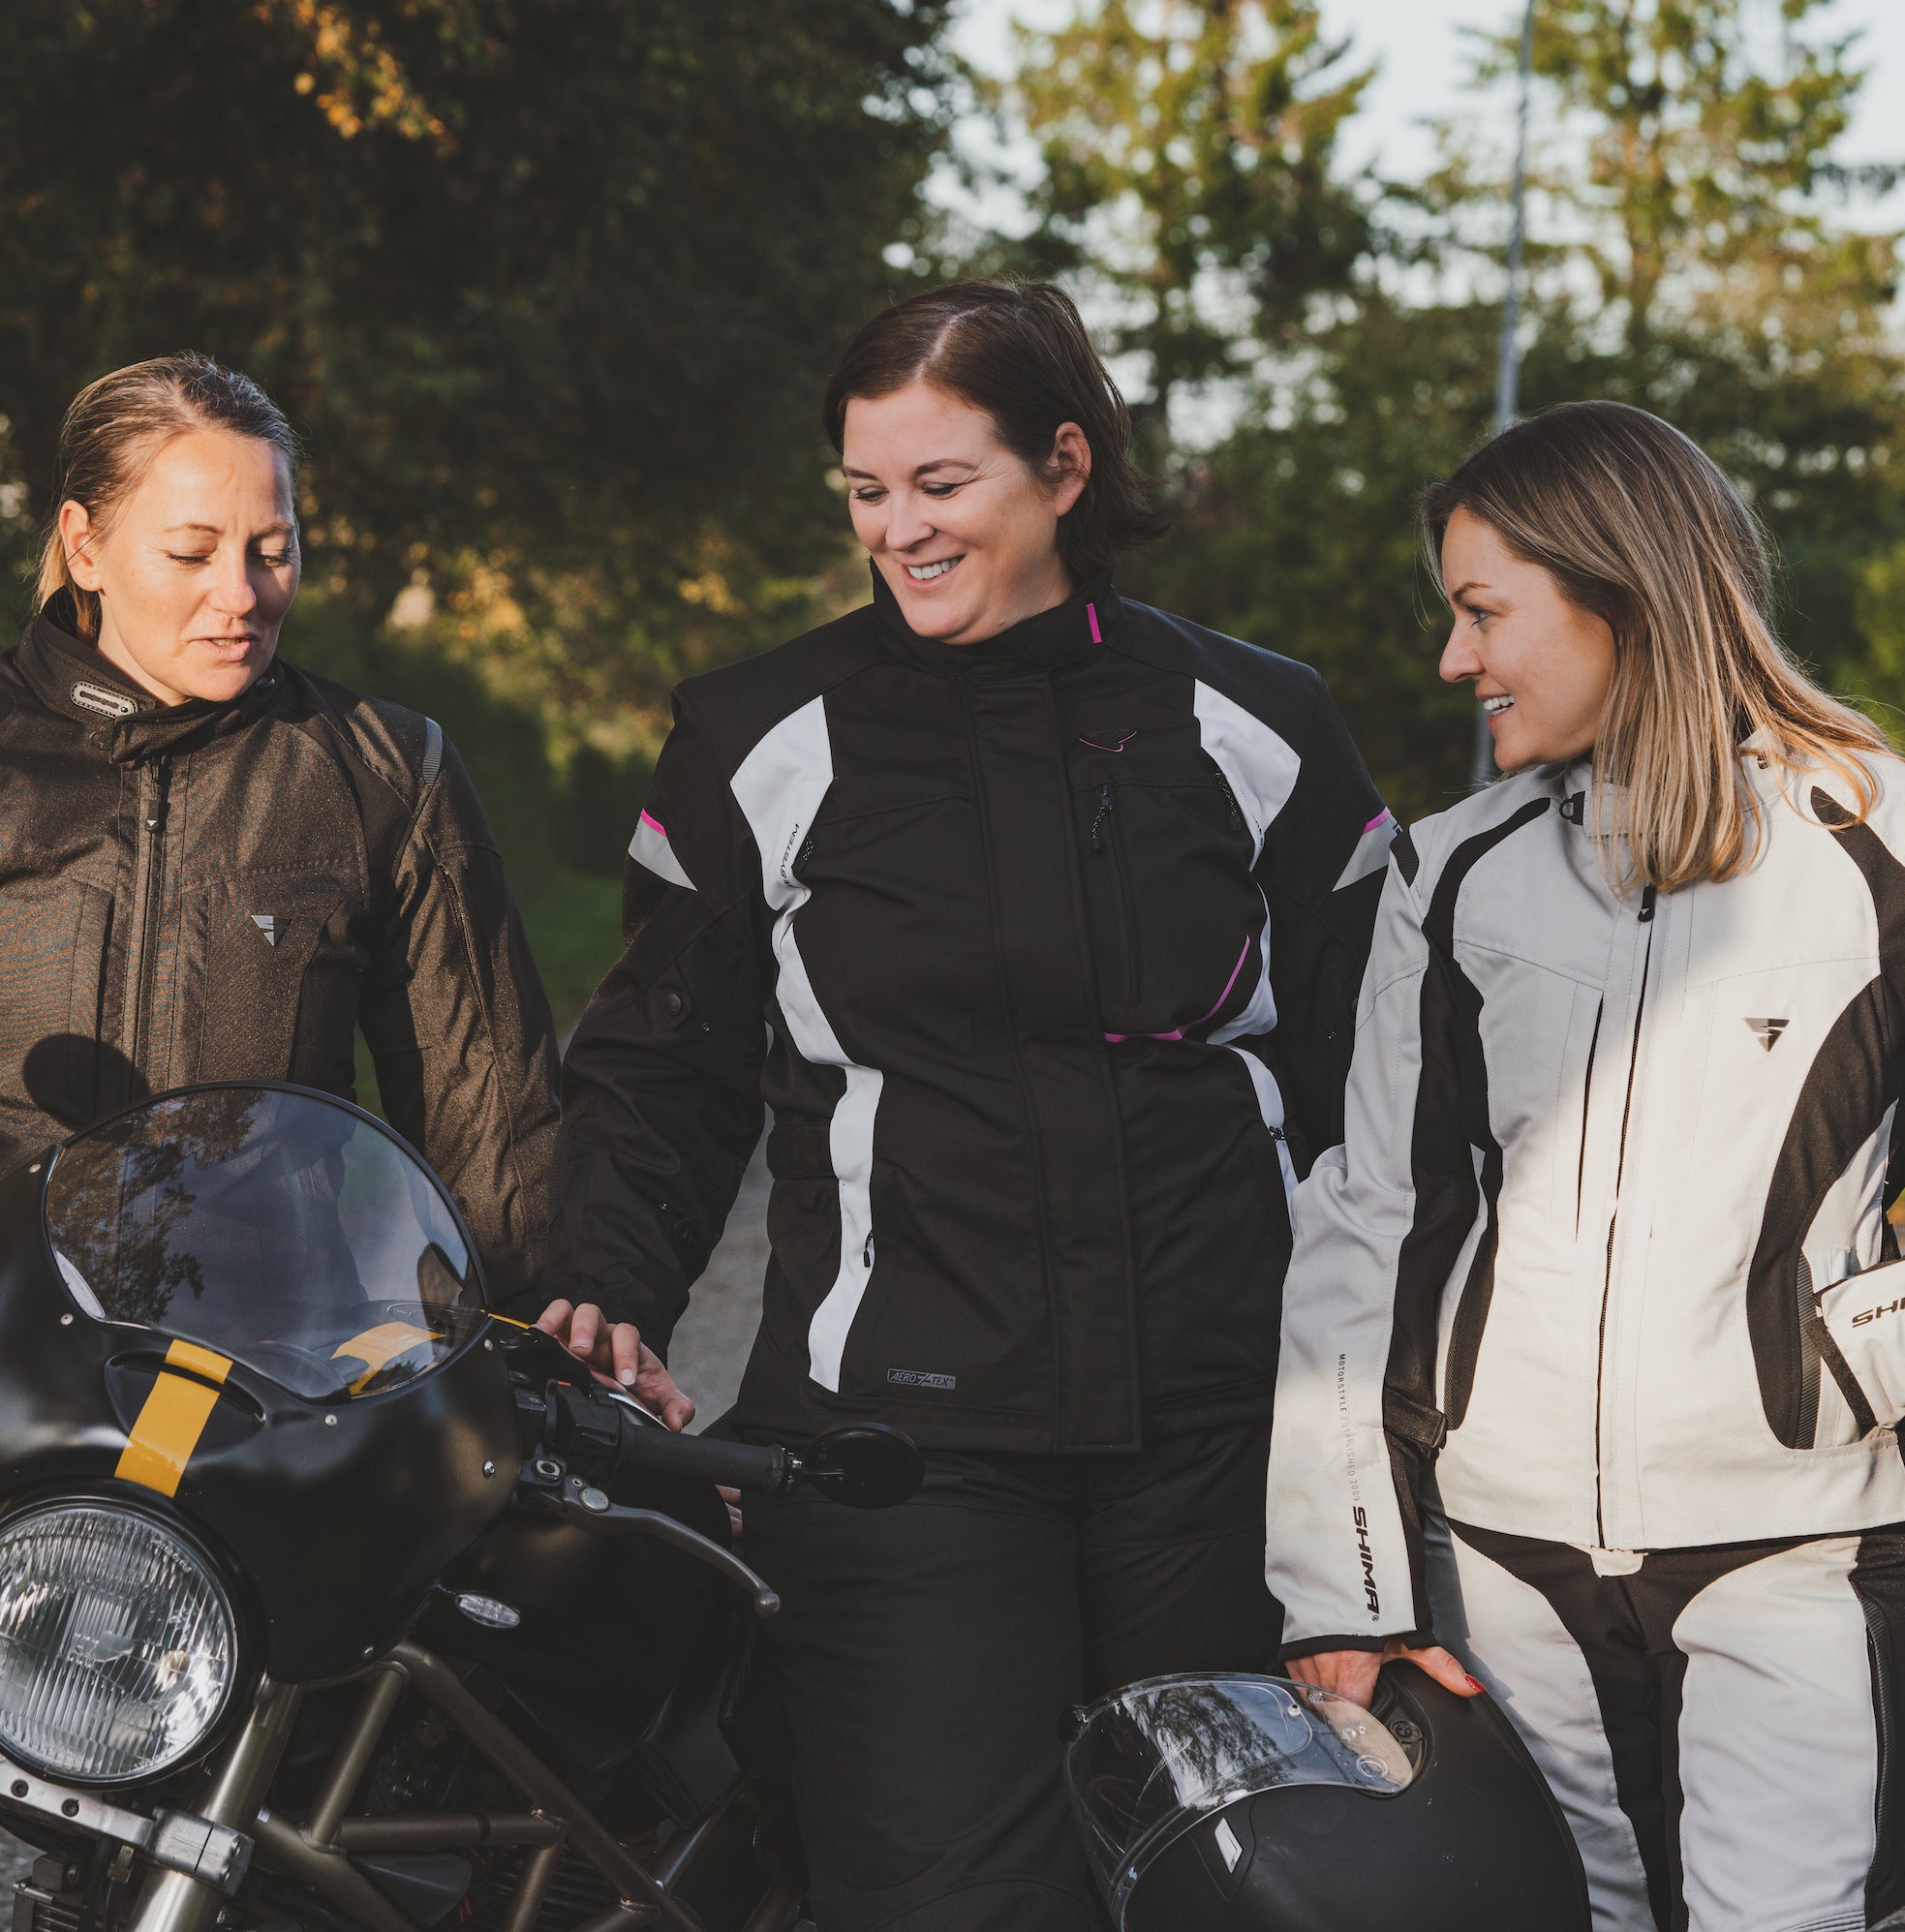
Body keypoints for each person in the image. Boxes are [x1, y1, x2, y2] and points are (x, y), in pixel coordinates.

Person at [534, 280, 1396, 1931]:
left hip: (1215, 1441)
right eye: (868, 493)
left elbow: (1370, 1083)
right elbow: (664, 1060)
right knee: (948, 1899)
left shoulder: (1262, 725)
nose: (898, 532)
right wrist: (607, 1283)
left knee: (1234, 1893)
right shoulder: (753, 738)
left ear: (1063, 467)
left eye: (942, 487)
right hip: (897, 1446)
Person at [1266, 400, 1905, 1931]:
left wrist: (1870, 1348)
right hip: (1501, 1562)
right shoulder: (1450, 867)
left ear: (1621, 592)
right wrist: (1342, 1582)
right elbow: (1371, 1220)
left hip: (1793, 1550)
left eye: (1485, 612)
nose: (1454, 660)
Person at [0, 352, 562, 1515]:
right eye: (192, 551)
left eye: (274, 548)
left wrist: (522, 1367)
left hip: (276, 1400)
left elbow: (488, 1111)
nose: (244, 593)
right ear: (85, 545)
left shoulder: (382, 771)